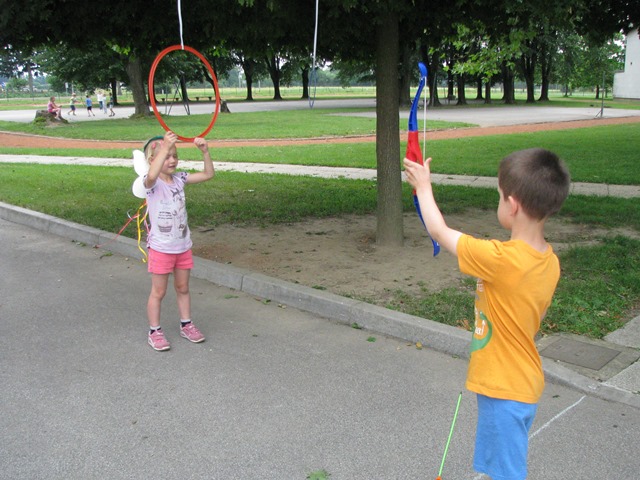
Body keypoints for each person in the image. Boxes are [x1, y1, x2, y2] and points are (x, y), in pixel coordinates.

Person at [403, 148, 570, 480]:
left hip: (504, 388)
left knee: (507, 473)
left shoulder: (500, 260)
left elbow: (439, 232)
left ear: (512, 205)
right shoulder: (549, 261)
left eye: (498, 195)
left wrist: (423, 188)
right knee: (503, 468)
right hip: (524, 381)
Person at [143, 131, 215, 351]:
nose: (172, 159)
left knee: (183, 287)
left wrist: (205, 152)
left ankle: (186, 324)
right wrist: (163, 146)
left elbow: (208, 174)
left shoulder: (180, 179)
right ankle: (154, 330)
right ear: (153, 161)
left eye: (174, 155)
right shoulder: (151, 184)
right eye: (167, 156)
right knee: (159, 292)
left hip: (182, 246)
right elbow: (151, 177)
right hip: (161, 248)